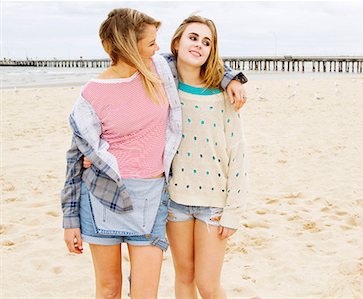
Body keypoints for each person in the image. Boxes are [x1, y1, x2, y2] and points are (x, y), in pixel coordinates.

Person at [61, 8, 247, 298]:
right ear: (129, 46)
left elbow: (195, 61)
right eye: (150, 43)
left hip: (159, 197)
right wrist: (70, 219)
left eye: (156, 43)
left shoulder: (159, 72)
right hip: (114, 197)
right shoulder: (98, 92)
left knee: (159, 290)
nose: (156, 48)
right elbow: (75, 157)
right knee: (111, 289)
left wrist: (231, 78)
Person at [166, 15, 248, 299]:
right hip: (175, 201)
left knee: (208, 284)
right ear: (177, 42)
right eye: (192, 37)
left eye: (207, 42)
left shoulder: (223, 94)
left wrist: (234, 209)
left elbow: (237, 152)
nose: (199, 45)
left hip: (214, 204)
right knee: (184, 278)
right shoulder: (164, 90)